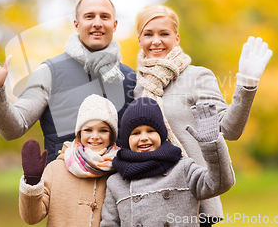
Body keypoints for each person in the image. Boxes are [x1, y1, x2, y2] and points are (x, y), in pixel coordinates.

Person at [134, 5, 272, 225]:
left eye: (164, 33)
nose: (156, 41)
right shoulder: (138, 87)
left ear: (176, 38)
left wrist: (246, 84)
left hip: (193, 198)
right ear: (139, 40)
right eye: (149, 34)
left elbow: (229, 129)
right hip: (151, 204)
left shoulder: (197, 76)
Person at [0, 0, 136, 163]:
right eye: (89, 16)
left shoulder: (131, 78)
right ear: (76, 24)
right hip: (64, 185)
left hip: (117, 186)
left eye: (104, 16)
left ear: (114, 25)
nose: (97, 23)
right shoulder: (50, 72)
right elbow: (13, 129)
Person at [100, 97, 235, 227]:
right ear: (126, 140)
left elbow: (220, 183)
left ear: (162, 134)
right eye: (136, 133)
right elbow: (109, 224)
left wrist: (212, 146)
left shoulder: (183, 168)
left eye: (150, 131)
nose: (144, 138)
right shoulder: (116, 182)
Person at [19, 94, 120, 226]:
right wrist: (32, 182)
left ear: (112, 135)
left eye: (103, 130)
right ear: (79, 133)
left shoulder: (118, 170)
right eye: (88, 130)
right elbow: (31, 218)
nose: (95, 136)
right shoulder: (55, 169)